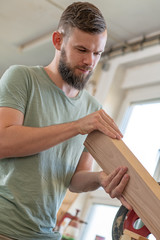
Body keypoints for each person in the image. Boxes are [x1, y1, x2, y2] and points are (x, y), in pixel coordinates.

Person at [0, 2, 130, 240]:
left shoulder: (92, 109)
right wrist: (76, 126)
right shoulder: (22, 78)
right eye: (82, 50)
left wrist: (101, 179)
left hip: (44, 234)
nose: (90, 62)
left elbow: (75, 180)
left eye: (97, 53)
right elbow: (3, 142)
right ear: (58, 41)